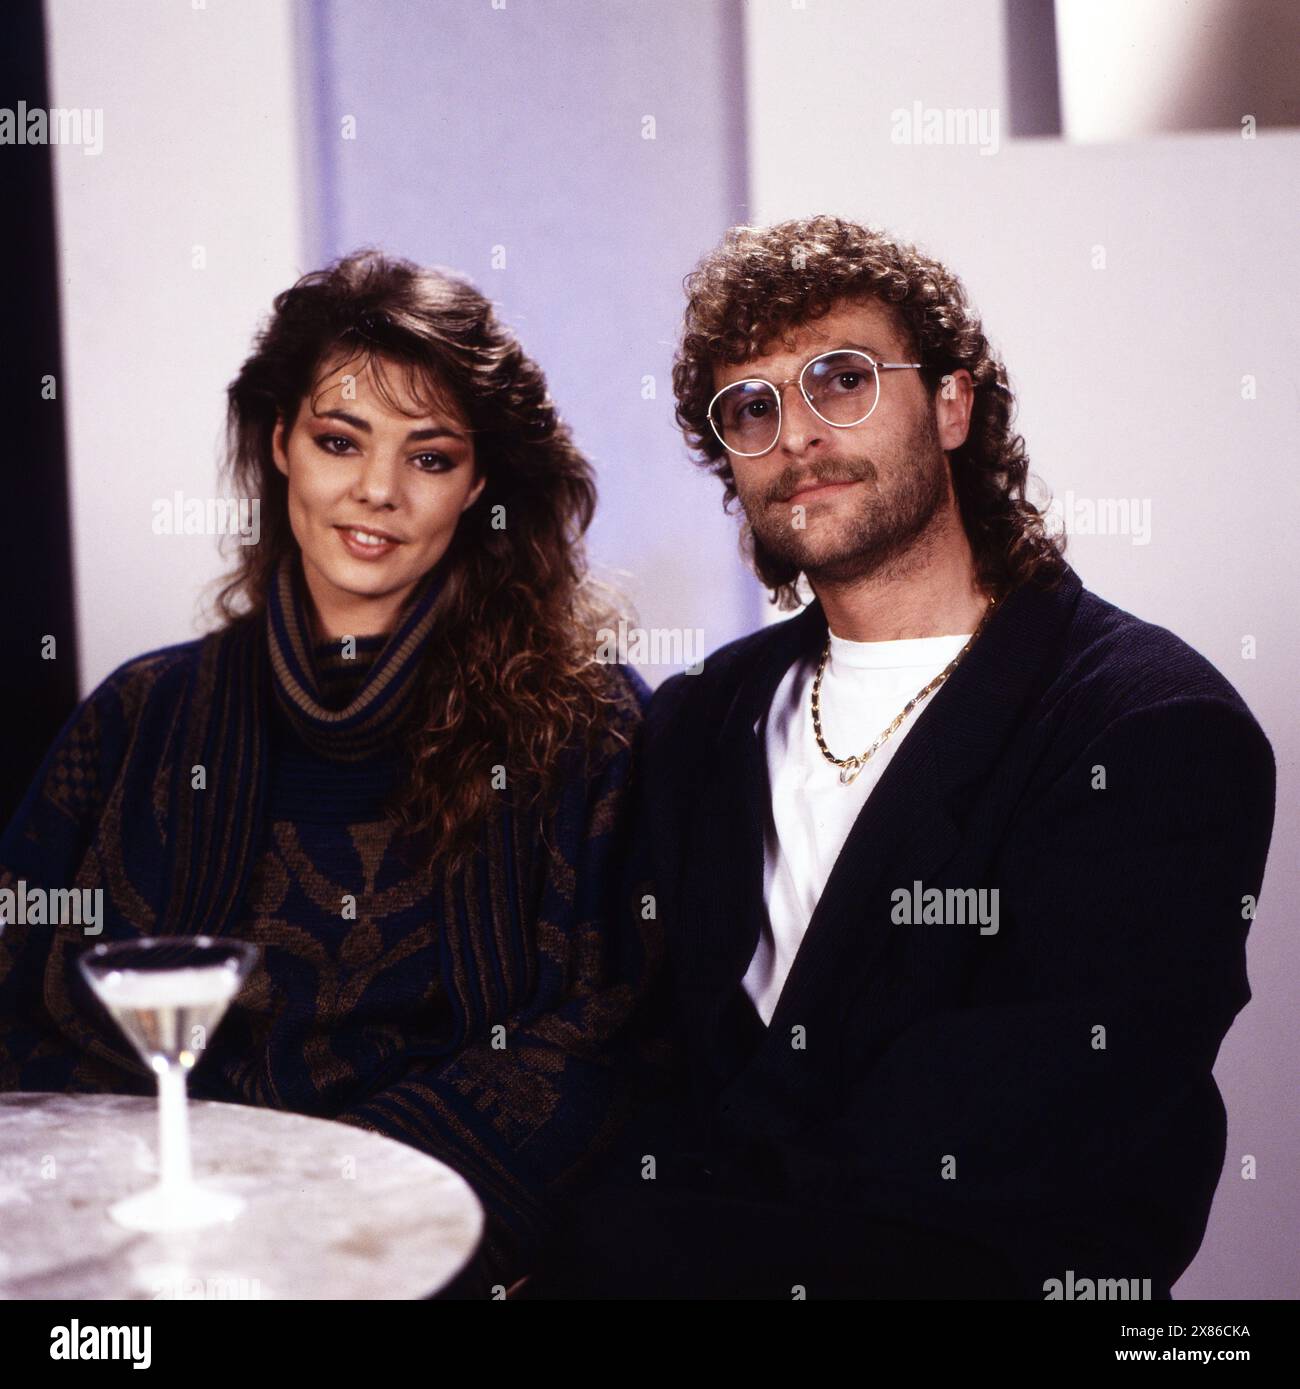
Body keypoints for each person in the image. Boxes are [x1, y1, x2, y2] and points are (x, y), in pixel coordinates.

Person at [528, 215, 1277, 1299]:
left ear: (953, 405)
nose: (796, 435)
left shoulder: (1148, 727)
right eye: (752, 407)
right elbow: (637, 1042)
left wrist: (663, 1213)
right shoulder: (699, 722)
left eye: (841, 380)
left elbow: (1049, 1123)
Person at [0, 250, 658, 1296]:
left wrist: (328, 1207)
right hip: (164, 1261)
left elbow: (606, 1035)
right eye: (338, 441)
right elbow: (15, 1010)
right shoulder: (137, 719)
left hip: (448, 1261)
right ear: (281, 447)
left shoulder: (588, 727)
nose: (377, 492)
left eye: (430, 458)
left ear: (479, 483)